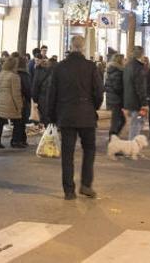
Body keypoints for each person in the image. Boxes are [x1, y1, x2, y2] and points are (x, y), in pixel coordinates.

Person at [45, 35, 103, 200]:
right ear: (83, 48)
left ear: (70, 47)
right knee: (89, 149)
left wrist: (51, 116)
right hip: (87, 115)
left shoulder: (60, 67)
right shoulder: (91, 67)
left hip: (66, 114)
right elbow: (99, 92)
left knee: (67, 153)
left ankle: (69, 190)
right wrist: (94, 107)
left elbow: (52, 93)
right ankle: (86, 184)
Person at [0, 56, 25, 149]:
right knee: (18, 121)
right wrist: (19, 106)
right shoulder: (14, 76)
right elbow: (16, 93)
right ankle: (15, 141)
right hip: (11, 103)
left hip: (0, 102)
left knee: (1, 121)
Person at [122, 46, 148, 140]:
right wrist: (144, 102)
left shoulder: (127, 66)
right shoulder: (139, 68)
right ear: (141, 54)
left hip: (129, 100)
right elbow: (140, 86)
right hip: (137, 102)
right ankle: (132, 147)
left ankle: (132, 146)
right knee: (137, 123)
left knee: (136, 122)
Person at [104, 53, 125, 137]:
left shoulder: (111, 70)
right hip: (116, 99)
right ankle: (113, 137)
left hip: (113, 98)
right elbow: (117, 87)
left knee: (118, 119)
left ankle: (114, 136)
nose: (125, 61)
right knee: (117, 120)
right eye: (123, 59)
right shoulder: (117, 71)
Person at [32, 54, 54, 125]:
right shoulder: (52, 71)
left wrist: (34, 99)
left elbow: (35, 86)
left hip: (41, 97)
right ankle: (48, 132)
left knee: (42, 118)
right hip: (50, 97)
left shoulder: (38, 71)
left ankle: (45, 132)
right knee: (48, 118)